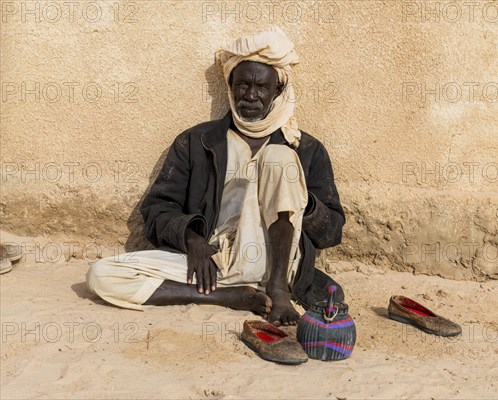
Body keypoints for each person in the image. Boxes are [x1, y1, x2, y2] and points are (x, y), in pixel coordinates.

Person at [86, 26, 345, 326]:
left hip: (275, 263)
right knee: (101, 275)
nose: (250, 95)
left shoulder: (304, 148)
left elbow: (332, 232)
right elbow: (157, 210)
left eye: (261, 87)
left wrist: (301, 202)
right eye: (243, 84)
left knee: (279, 159)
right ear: (230, 84)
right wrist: (192, 238)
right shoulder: (197, 142)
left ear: (277, 90)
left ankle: (276, 288)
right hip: (213, 262)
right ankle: (227, 296)